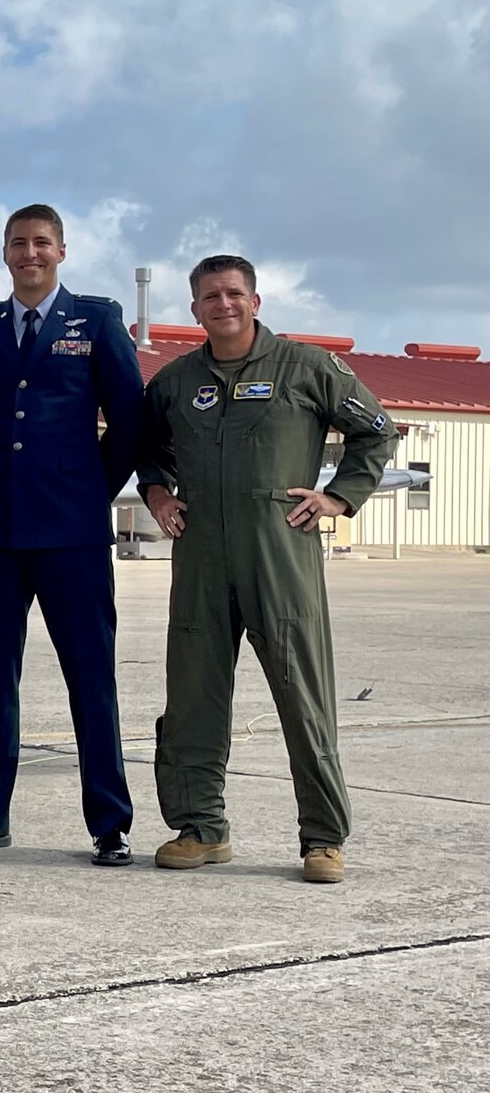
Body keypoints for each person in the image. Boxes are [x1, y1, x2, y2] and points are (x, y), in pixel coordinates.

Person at [139, 256, 394, 885]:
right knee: (194, 694)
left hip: (281, 552)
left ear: (255, 300)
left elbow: (376, 431)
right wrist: (158, 493)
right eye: (208, 297)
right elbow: (145, 446)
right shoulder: (174, 381)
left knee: (302, 695)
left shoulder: (306, 368)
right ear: (194, 308)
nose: (221, 304)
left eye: (233, 293)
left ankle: (323, 838)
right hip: (200, 556)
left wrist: (338, 496)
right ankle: (200, 827)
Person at [0, 203, 144, 866]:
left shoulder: (97, 321)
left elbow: (129, 420)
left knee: (91, 677)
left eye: (41, 243)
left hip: (73, 533)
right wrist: (11, 478)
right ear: (4, 253)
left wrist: (87, 488)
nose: (29, 253)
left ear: (62, 250)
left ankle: (109, 824)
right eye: (17, 244)